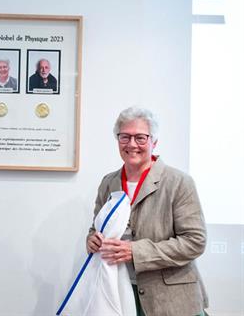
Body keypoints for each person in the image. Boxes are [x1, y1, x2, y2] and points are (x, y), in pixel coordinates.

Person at [86, 106, 208, 316]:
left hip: (172, 302)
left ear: (154, 142)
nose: (132, 144)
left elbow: (194, 241)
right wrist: (92, 240)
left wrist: (135, 251)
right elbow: (95, 228)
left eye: (140, 138)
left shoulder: (179, 182)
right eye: (125, 137)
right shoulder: (108, 182)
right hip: (119, 293)